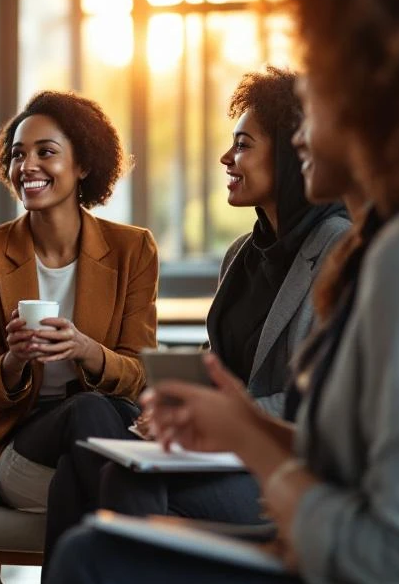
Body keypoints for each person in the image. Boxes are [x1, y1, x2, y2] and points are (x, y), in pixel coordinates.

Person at [46, 0, 399, 584]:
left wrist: (278, 483)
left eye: (318, 73)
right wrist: (240, 428)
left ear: (380, 88)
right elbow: (361, 471)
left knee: (92, 558)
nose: (305, 111)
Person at [99, 67, 350, 525]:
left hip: (282, 463)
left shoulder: (339, 248)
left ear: (292, 154)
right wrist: (175, 405)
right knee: (90, 463)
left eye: (243, 145)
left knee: (126, 482)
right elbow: (218, 364)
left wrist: (220, 418)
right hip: (217, 453)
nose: (225, 158)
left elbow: (324, 399)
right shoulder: (240, 254)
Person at [0, 90, 158, 564]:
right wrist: (14, 359)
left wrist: (85, 350)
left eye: (45, 152)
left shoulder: (133, 250)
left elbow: (138, 373)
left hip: (95, 438)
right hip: (17, 448)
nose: (26, 165)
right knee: (89, 412)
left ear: (84, 164)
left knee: (79, 465)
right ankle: (153, 553)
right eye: (17, 155)